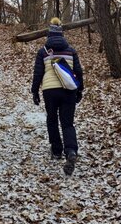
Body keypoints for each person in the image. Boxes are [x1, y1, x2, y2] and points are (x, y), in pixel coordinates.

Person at [31, 17, 83, 176]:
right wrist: (80, 90)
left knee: (52, 119)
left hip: (50, 90)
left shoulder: (43, 51)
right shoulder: (71, 50)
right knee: (67, 123)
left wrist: (35, 91)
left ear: (49, 34)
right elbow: (78, 72)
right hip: (68, 90)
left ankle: (56, 150)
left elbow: (38, 72)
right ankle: (71, 151)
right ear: (62, 33)